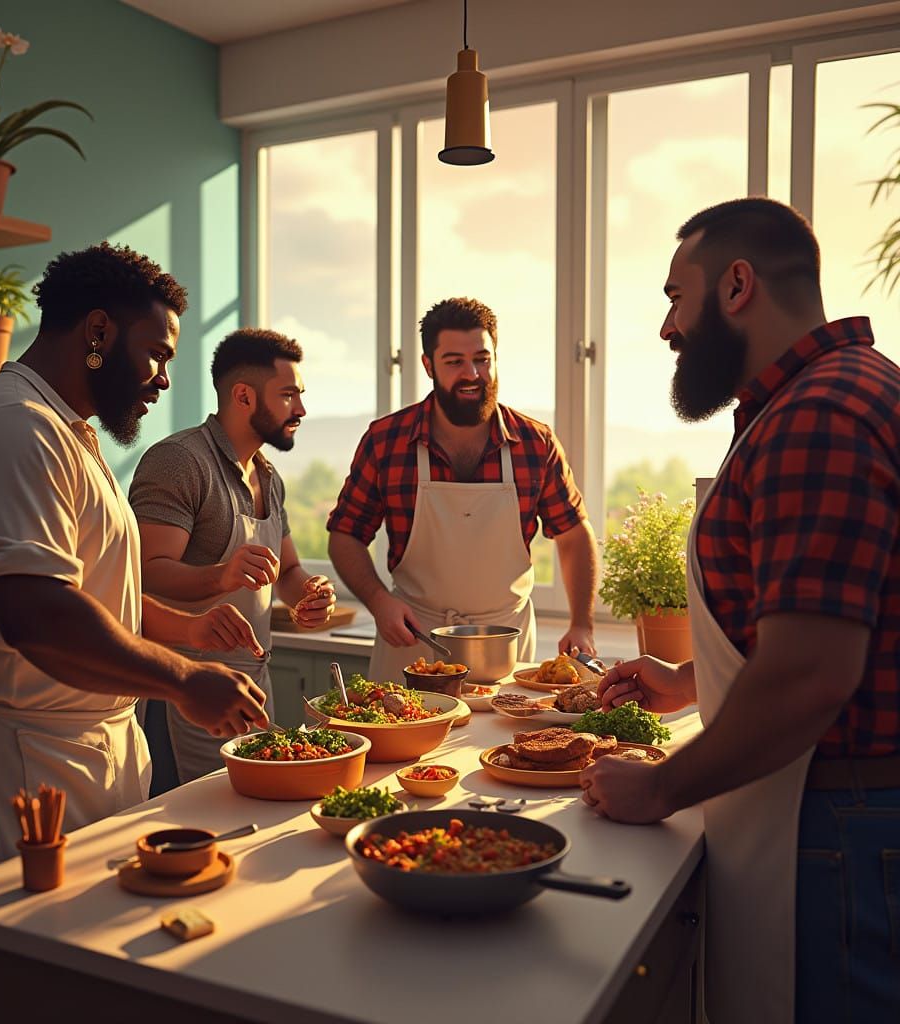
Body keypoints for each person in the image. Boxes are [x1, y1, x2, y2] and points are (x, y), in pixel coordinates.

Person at [579, 198, 900, 1023]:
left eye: (674, 297)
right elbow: (820, 624)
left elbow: (806, 676)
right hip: (828, 808)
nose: (666, 327)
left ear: (737, 286)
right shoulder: (832, 395)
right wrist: (691, 681)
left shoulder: (817, 416)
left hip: (838, 823)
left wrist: (660, 789)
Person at [0, 242, 269, 883]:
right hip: (13, 761)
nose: (163, 378)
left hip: (66, 750)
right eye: (158, 354)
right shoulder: (12, 428)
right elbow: (40, 615)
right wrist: (185, 679)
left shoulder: (63, 429)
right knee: (33, 973)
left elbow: (89, 591)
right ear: (99, 329)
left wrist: (186, 628)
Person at [327, 296, 598, 683]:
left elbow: (573, 535)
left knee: (501, 744)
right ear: (428, 365)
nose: (472, 373)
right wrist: (378, 601)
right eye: (454, 361)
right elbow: (345, 535)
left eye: (482, 359)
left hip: (504, 643)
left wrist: (582, 623)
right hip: (413, 640)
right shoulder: (386, 441)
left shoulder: (535, 444)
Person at [130, 328, 336, 783]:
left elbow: (288, 572)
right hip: (183, 694)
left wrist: (310, 593)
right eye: (287, 396)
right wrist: (220, 577)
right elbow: (143, 575)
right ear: (243, 396)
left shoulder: (269, 475)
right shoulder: (179, 462)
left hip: (251, 688)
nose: (300, 410)